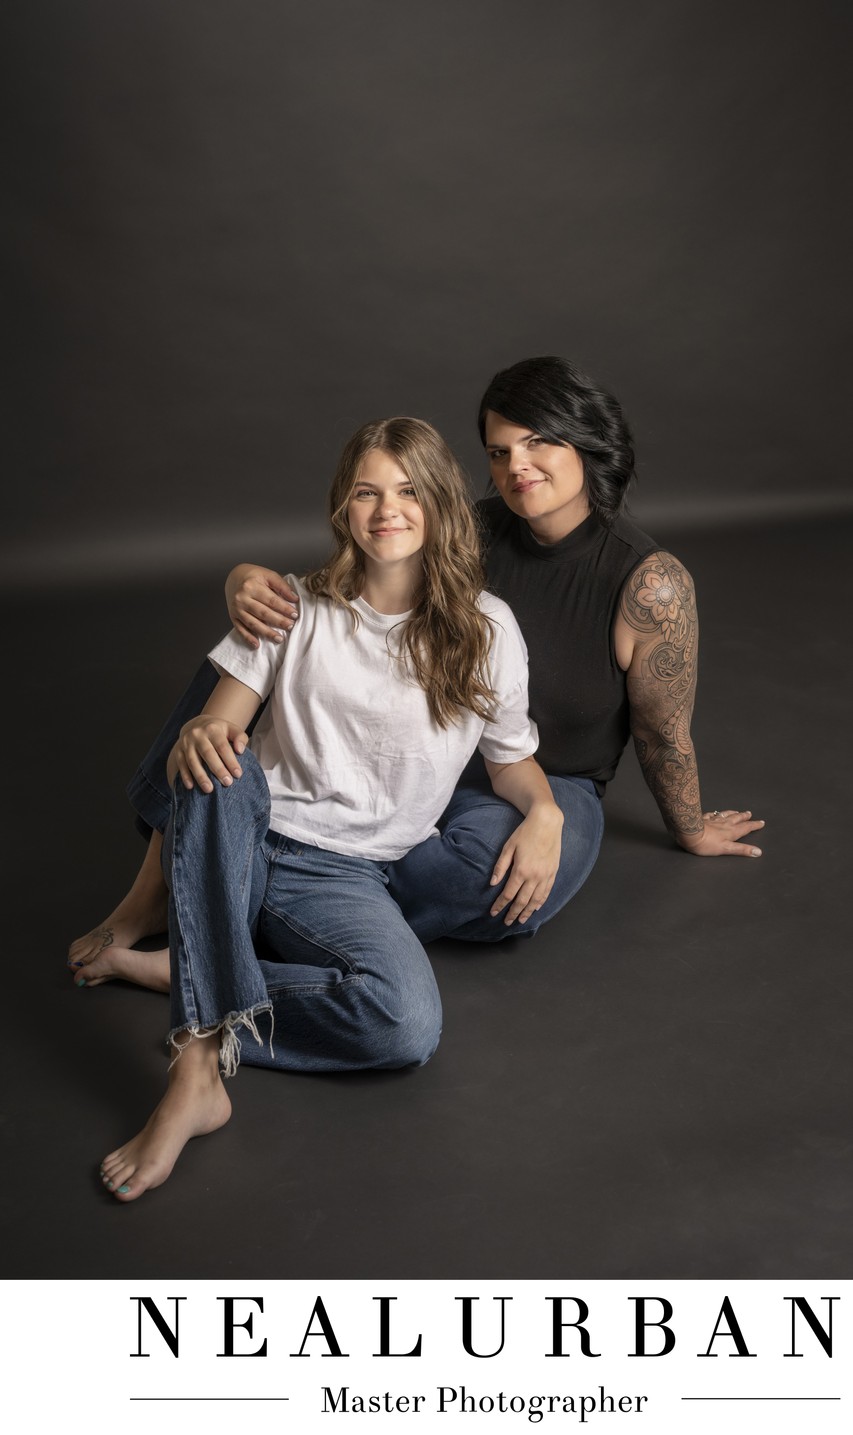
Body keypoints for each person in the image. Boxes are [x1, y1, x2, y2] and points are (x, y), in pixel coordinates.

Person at [71, 355, 764, 978]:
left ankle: (261, 924)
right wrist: (242, 580)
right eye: (499, 450)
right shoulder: (466, 527)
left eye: (539, 441)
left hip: (540, 778)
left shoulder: (648, 583)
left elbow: (660, 728)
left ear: (586, 442)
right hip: (422, 751)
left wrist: (688, 825)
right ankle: (153, 896)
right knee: (242, 659)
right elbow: (337, 589)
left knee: (506, 888)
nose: (517, 465)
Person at [91, 417, 563, 1201]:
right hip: (245, 836)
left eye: (409, 491)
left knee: (404, 1023)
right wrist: (205, 729)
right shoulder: (294, 605)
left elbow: (510, 760)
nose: (388, 510)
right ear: (342, 509)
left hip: (345, 879)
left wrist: (545, 813)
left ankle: (187, 971)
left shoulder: (487, 631)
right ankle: (198, 1068)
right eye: (366, 492)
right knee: (219, 758)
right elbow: (222, 718)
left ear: (441, 504)